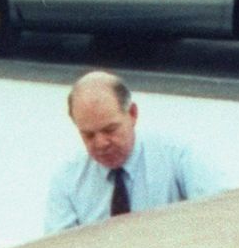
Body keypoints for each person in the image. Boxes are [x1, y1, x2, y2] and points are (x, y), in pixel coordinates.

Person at [45, 70, 221, 232]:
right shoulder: (67, 180)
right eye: (88, 135)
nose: (101, 143)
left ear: (133, 114)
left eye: (110, 130)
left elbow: (220, 215)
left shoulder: (176, 156)